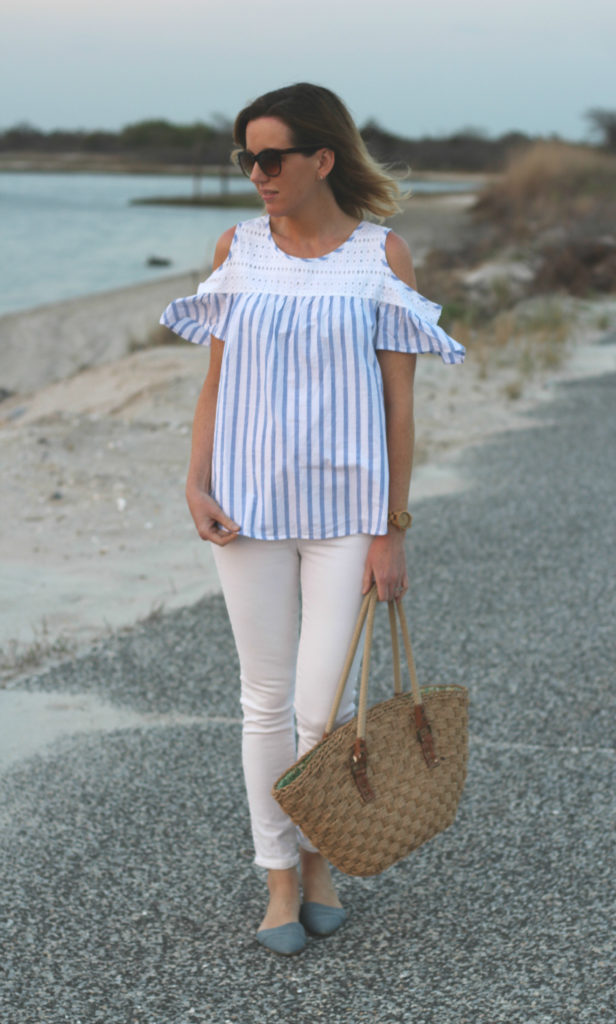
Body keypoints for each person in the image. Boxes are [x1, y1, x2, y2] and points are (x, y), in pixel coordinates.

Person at [161, 83, 464, 956]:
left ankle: (322, 855)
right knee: (263, 702)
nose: (255, 174)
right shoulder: (238, 249)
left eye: (270, 158)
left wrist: (391, 527)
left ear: (320, 160)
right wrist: (193, 481)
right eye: (244, 158)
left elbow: (398, 406)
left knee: (321, 714)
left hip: (346, 517)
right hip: (246, 512)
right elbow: (215, 382)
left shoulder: (382, 257)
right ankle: (283, 878)